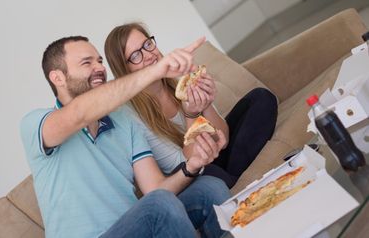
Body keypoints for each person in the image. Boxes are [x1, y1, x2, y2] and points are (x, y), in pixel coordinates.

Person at [20, 35, 231, 238]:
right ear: (57, 77)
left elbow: (156, 189)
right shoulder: (37, 124)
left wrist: (191, 166)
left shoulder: (123, 121)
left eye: (99, 61)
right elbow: (78, 114)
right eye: (87, 63)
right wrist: (155, 71)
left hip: (134, 227)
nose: (100, 68)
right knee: (159, 204)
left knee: (209, 188)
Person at [104, 23, 278, 188]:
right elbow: (185, 165)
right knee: (210, 173)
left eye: (148, 44)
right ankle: (235, 176)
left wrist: (206, 104)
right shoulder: (133, 117)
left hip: (215, 154)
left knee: (261, 98)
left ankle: (235, 177)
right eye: (135, 56)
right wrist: (191, 116)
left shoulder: (179, 82)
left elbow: (222, 138)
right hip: (194, 172)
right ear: (124, 70)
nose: (149, 55)